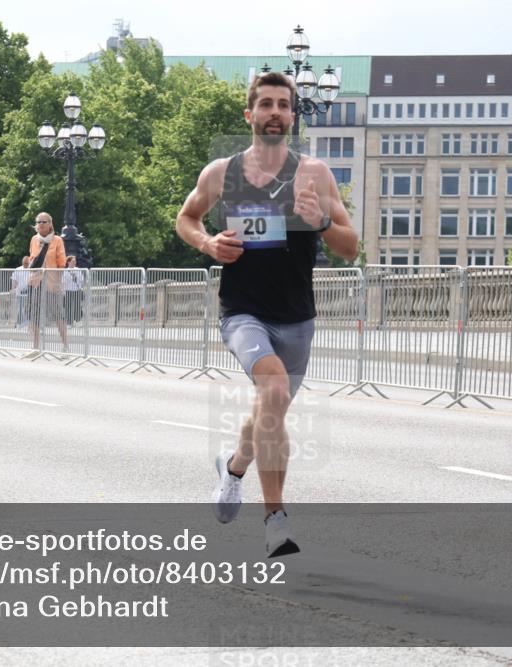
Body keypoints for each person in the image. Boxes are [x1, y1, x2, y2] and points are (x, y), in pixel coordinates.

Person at [175, 71, 359, 557]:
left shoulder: (314, 174)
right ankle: (276, 520)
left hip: (297, 317)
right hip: (243, 312)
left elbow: (351, 248)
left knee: (268, 410)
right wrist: (208, 242)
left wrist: (319, 221)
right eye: (266, 104)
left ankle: (233, 467)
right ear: (250, 115)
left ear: (293, 117)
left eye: (284, 105)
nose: (275, 112)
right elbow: (186, 217)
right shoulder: (222, 172)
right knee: (273, 389)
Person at [27, 212, 68, 352]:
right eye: (38, 222)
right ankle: (35, 346)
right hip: (36, 282)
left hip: (51, 282)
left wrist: (58, 282)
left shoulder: (57, 240)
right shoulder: (34, 239)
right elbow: (32, 258)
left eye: (44, 222)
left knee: (58, 314)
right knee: (34, 315)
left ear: (50, 224)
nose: (40, 224)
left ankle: (65, 345)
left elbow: (61, 263)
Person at [62, 255, 85, 328]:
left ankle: (78, 321)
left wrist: (76, 278)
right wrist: (63, 291)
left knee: (77, 306)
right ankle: (69, 322)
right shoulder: (65, 271)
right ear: (68, 262)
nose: (74, 262)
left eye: (75, 261)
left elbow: (81, 279)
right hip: (68, 290)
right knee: (68, 307)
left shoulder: (78, 269)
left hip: (76, 290)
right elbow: (63, 282)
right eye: (73, 261)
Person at [11, 256, 31, 328]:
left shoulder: (31, 269)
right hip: (20, 291)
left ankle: (24, 323)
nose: (26, 264)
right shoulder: (18, 269)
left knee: (27, 308)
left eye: (27, 263)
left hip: (29, 291)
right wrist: (13, 289)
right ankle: (20, 322)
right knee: (20, 308)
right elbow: (14, 280)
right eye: (25, 263)